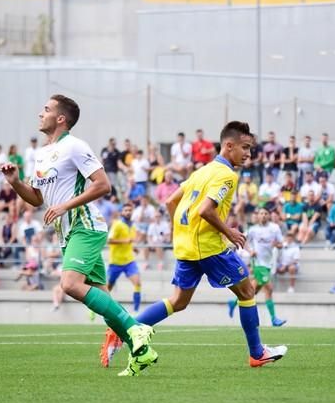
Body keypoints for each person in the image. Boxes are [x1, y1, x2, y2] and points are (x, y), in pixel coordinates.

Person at [1, 94, 156, 376]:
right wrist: (15, 183)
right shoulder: (41, 154)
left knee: (70, 284)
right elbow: (36, 199)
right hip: (67, 233)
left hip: (86, 226)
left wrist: (64, 206)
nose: (40, 113)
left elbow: (103, 185)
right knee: (101, 298)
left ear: (61, 118)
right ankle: (141, 352)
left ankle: (136, 329)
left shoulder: (74, 146)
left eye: (46, 109)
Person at [122, 121, 287, 372]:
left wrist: (183, 233)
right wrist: (229, 231)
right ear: (228, 145)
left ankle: (126, 330)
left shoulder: (202, 171)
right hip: (209, 247)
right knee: (246, 293)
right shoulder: (227, 175)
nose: (248, 154)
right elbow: (205, 210)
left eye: (250, 149)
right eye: (245, 147)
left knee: (178, 301)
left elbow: (169, 202)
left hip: (187, 246)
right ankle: (257, 353)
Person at [227, 208, 286, 326]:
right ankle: (274, 319)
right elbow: (243, 241)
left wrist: (278, 245)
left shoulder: (274, 228)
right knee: (268, 288)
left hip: (268, 263)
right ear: (257, 216)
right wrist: (250, 251)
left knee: (252, 291)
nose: (263, 215)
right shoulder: (253, 230)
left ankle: (234, 302)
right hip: (258, 263)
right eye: (261, 214)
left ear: (268, 216)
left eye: (266, 213)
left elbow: (281, 244)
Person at [107, 203, 142, 313]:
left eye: (130, 210)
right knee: (108, 288)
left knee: (137, 283)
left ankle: (136, 312)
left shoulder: (133, 226)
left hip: (129, 261)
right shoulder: (117, 224)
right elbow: (109, 240)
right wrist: (125, 241)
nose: (128, 212)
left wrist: (133, 248)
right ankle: (94, 309)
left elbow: (129, 242)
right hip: (115, 262)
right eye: (125, 210)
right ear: (122, 212)